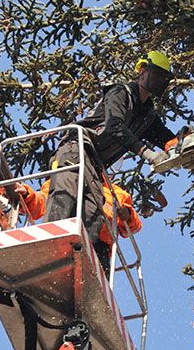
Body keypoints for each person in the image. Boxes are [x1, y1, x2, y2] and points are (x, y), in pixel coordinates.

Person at [42, 51, 177, 245]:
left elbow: (166, 138)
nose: (158, 82)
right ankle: (50, 243)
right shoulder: (121, 93)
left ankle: (78, 255)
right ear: (142, 72)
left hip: (95, 166)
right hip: (77, 147)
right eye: (155, 76)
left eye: (163, 80)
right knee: (66, 192)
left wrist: (185, 143)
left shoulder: (147, 116)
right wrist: (146, 153)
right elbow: (114, 126)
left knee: (95, 210)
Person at [14, 177, 143, 277]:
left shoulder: (114, 192)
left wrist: (128, 213)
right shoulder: (63, 178)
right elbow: (41, 203)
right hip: (65, 236)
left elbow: (134, 228)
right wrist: (27, 194)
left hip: (99, 248)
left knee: (91, 290)